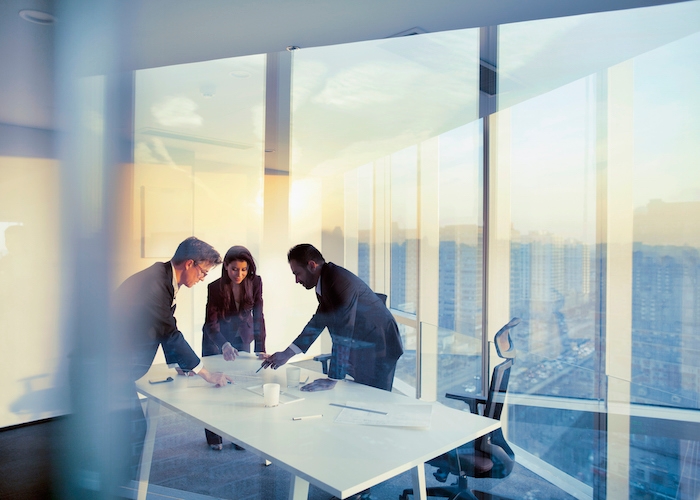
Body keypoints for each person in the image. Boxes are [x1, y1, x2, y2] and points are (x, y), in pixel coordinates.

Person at [113, 236, 232, 478]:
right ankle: (121, 485)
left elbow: (164, 324)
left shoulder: (162, 278)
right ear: (189, 263)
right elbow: (169, 331)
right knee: (132, 430)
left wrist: (180, 363)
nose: (202, 278)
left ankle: (121, 482)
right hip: (108, 367)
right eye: (203, 272)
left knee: (129, 430)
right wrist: (205, 373)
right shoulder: (154, 284)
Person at [263, 243, 403, 393]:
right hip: (364, 342)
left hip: (380, 344)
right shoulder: (325, 282)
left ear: (312, 265)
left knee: (374, 397)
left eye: (297, 273)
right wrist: (287, 354)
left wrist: (332, 379)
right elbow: (317, 322)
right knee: (360, 394)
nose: (297, 280)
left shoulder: (338, 282)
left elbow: (343, 331)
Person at [201, 245, 267, 450]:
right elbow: (210, 323)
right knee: (215, 389)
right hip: (216, 340)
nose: (239, 274)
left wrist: (260, 347)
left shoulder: (255, 282)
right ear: (226, 268)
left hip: (242, 337)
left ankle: (239, 435)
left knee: (241, 387)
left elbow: (259, 315)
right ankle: (214, 436)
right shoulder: (214, 287)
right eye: (234, 269)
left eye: (244, 269)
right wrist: (224, 345)